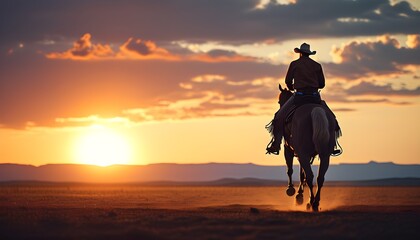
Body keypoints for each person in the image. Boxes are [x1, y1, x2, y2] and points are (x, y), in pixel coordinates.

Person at [266, 43, 330, 155]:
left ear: (300, 53)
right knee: (331, 116)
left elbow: (288, 81)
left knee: (278, 117)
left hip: (300, 96)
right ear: (309, 54)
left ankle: (276, 144)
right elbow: (322, 84)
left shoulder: (294, 64)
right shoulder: (317, 65)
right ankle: (332, 145)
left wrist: (292, 87)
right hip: (315, 97)